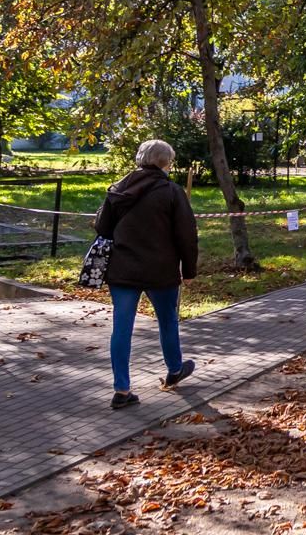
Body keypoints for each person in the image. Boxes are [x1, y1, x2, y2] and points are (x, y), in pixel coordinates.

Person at [96, 138, 199, 409]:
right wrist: (189, 270)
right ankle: (175, 369)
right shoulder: (171, 192)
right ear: (166, 163)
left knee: (122, 327)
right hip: (160, 270)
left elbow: (102, 228)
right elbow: (186, 235)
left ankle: (121, 389)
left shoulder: (118, 189)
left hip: (122, 269)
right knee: (167, 321)